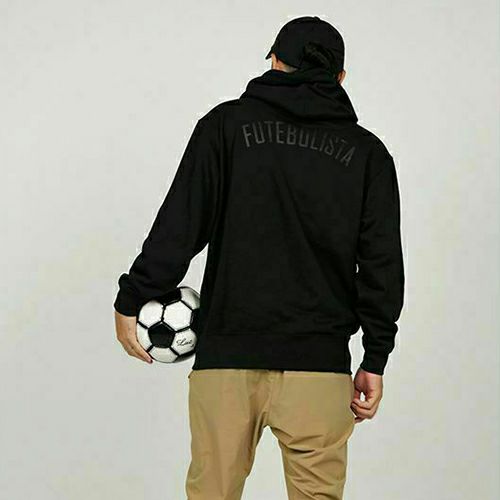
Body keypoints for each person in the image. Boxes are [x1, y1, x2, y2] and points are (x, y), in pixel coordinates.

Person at [113, 15, 405, 500]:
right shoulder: (368, 154)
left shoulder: (225, 127)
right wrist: (375, 358)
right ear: (339, 78)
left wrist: (133, 297)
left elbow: (181, 225)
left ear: (273, 61)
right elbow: (382, 267)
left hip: (227, 362)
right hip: (319, 369)